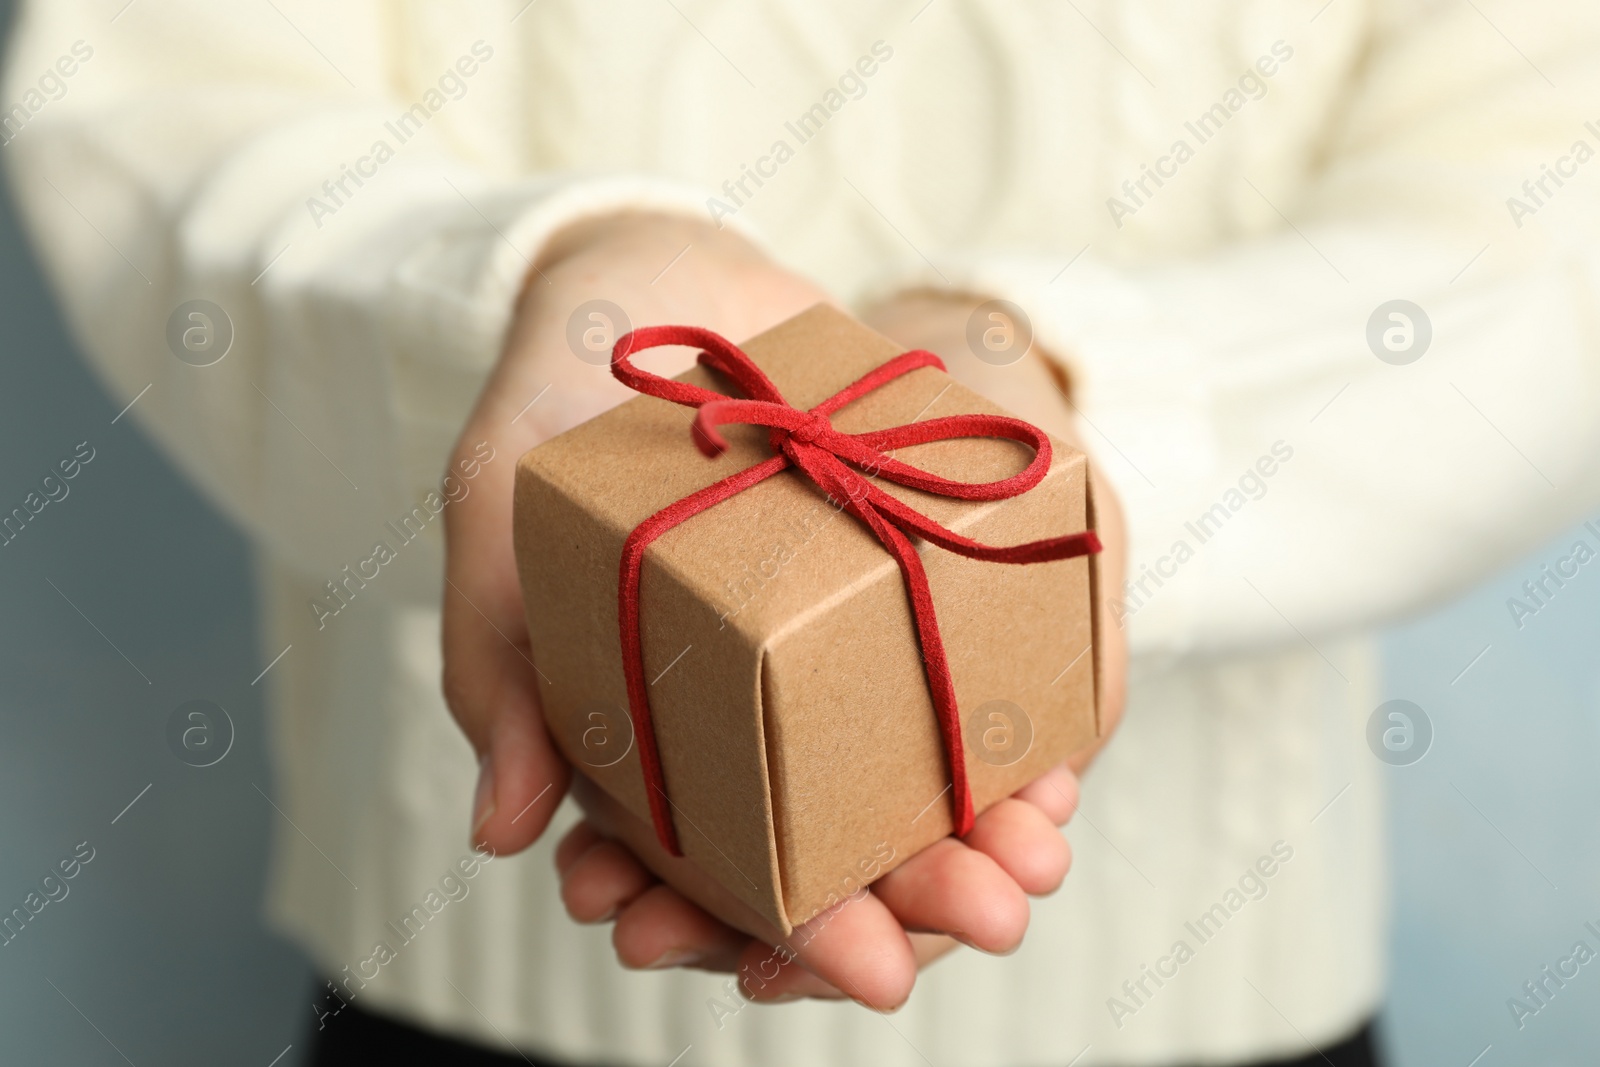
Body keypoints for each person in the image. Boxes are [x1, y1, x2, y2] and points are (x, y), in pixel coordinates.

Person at [7, 2, 1600, 1065]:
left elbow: (1555, 205)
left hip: (1220, 1001)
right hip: (458, 994)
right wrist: (524, 301)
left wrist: (1076, 406)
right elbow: (147, 93)